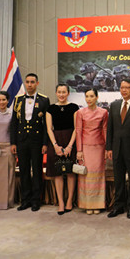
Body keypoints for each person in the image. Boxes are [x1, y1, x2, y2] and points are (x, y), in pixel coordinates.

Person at [10, 73, 50, 212]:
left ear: (37, 83)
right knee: (24, 171)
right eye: (27, 82)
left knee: (37, 170)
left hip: (37, 141)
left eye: (32, 82)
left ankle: (36, 201)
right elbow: (14, 123)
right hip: (21, 141)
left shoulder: (44, 100)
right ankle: (25, 200)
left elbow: (46, 125)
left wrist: (45, 143)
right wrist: (13, 143)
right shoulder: (18, 99)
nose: (29, 84)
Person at [106, 78, 130, 219]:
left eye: (127, 87)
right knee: (119, 179)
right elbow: (110, 128)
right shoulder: (114, 105)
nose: (124, 90)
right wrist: (109, 147)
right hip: (116, 149)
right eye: (122, 87)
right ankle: (118, 206)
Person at [46, 84, 79, 215]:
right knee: (57, 173)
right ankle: (60, 202)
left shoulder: (74, 107)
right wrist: (55, 145)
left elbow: (77, 128)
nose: (61, 94)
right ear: (56, 93)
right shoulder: (50, 108)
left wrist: (70, 145)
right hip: (55, 140)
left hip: (71, 139)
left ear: (68, 93)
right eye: (59, 92)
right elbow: (49, 128)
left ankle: (70, 201)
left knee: (70, 172)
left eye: (64, 92)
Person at [75, 88, 108, 215]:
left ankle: (98, 204)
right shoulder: (80, 112)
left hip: (99, 148)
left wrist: (106, 148)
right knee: (86, 175)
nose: (89, 99)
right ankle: (87, 204)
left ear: (97, 97)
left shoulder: (104, 112)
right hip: (86, 147)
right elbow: (78, 131)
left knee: (98, 176)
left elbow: (105, 130)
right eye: (87, 96)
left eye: (91, 96)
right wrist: (79, 150)